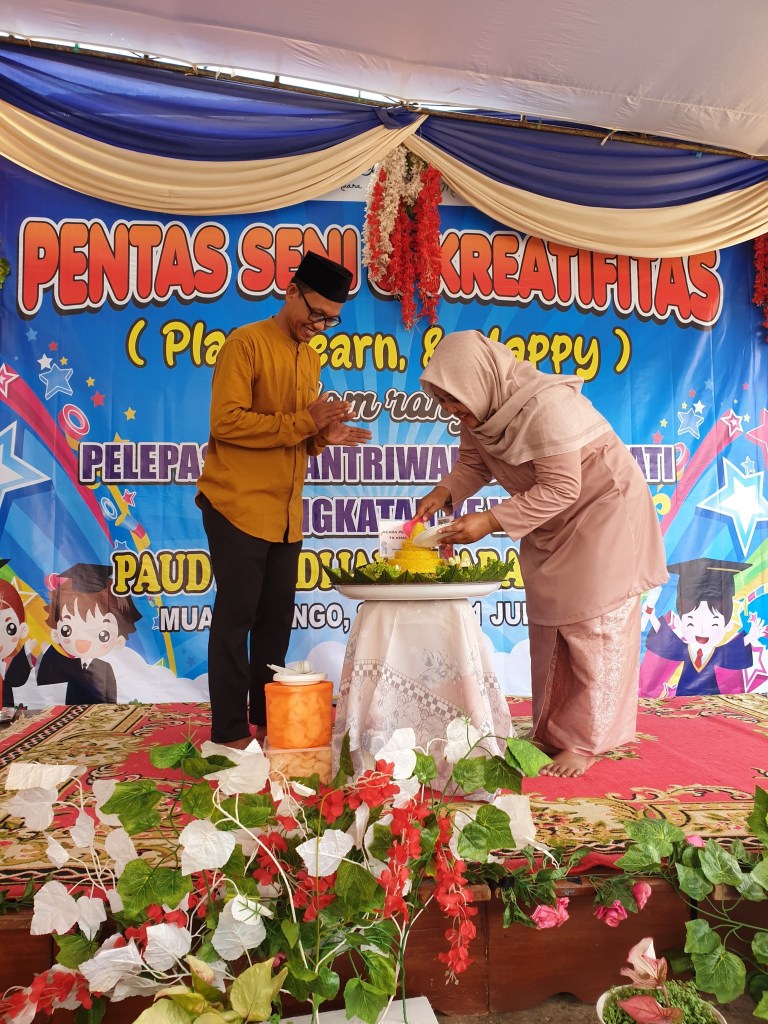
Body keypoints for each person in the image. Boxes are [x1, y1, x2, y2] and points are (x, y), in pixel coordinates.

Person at [415, 330, 668, 778]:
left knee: (593, 626)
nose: (451, 410)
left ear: (481, 380)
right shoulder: (481, 413)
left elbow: (564, 486)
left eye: (455, 399)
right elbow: (474, 464)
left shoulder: (546, 406)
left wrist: (489, 521)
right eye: (444, 402)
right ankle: (553, 732)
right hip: (551, 518)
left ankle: (585, 742)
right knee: (552, 627)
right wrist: (444, 492)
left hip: (604, 511)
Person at [196, 251, 372, 749]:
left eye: (330, 321)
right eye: (315, 313)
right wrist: (304, 424)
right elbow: (226, 422)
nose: (319, 326)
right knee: (236, 620)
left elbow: (296, 435)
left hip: (285, 513)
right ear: (292, 291)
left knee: (275, 621)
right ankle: (230, 732)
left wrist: (322, 438)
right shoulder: (245, 344)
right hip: (237, 504)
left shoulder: (309, 357)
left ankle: (266, 718)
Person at [644, 558, 764, 696]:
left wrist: (750, 637)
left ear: (728, 625)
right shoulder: (684, 649)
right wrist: (651, 614)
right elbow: (665, 636)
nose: (701, 630)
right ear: (680, 622)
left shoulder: (719, 653)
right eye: (691, 623)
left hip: (713, 695)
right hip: (682, 695)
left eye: (714, 624)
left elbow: (732, 650)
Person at [36, 563, 141, 704]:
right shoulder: (52, 660)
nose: (83, 640)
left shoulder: (106, 668)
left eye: (103, 635)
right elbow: (44, 696)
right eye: (67, 630)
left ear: (119, 641)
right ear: (56, 633)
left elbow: (112, 700)